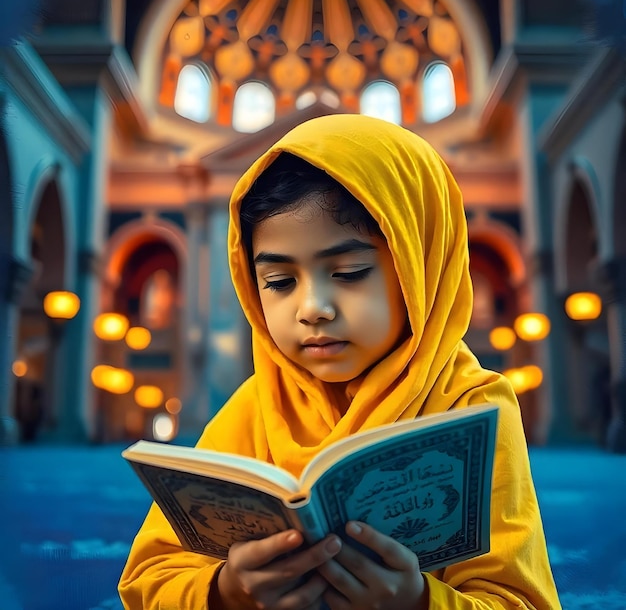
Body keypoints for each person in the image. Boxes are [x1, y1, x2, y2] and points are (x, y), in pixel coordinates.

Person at [118, 114, 561, 609]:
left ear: (419, 266)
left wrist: (418, 601)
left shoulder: (470, 404)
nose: (312, 309)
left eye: (349, 272)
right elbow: (148, 578)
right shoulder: (258, 405)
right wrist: (227, 590)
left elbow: (520, 601)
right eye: (280, 283)